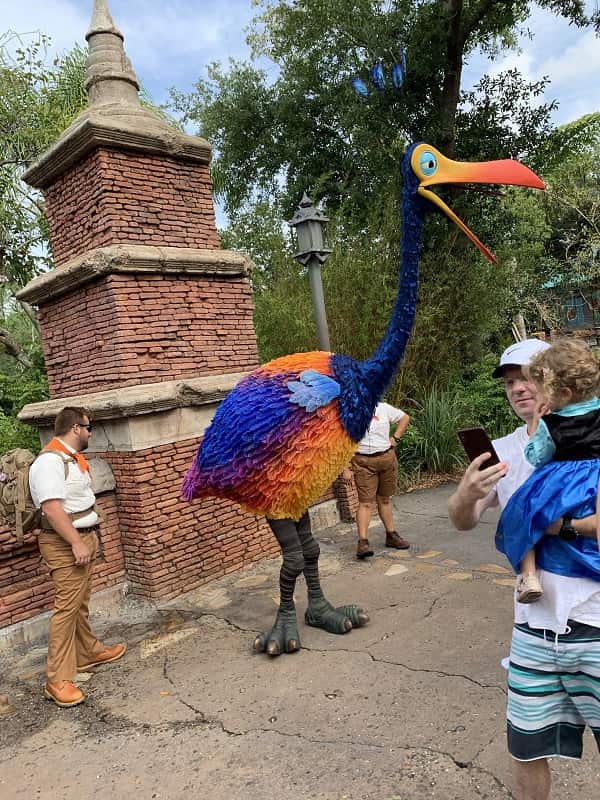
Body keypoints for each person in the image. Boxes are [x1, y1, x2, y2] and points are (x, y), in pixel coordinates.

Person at [448, 339, 600, 800]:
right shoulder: (500, 452)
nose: (517, 388)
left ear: (553, 382)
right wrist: (468, 493)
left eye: (526, 377)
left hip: (595, 624)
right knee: (526, 749)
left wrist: (559, 525)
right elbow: (461, 520)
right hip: (532, 632)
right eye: (510, 381)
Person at [29, 407, 126, 707]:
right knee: (66, 609)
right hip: (64, 543)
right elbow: (52, 509)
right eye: (89, 428)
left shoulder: (70, 459)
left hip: (81, 538)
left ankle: (87, 652)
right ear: (75, 428)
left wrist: (89, 536)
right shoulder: (49, 462)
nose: (90, 433)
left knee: (79, 601)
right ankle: (56, 679)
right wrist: (76, 543)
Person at [498, 338, 600, 604]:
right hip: (594, 478)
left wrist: (539, 422)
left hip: (562, 481)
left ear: (563, 394)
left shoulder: (551, 423)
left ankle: (528, 575)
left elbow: (535, 456)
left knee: (524, 511)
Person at [343, 401, 410, 560]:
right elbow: (341, 443)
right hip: (363, 463)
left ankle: (391, 535)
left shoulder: (383, 408)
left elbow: (405, 417)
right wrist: (345, 468)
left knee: (384, 499)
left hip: (386, 458)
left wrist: (395, 438)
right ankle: (363, 542)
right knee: (365, 502)